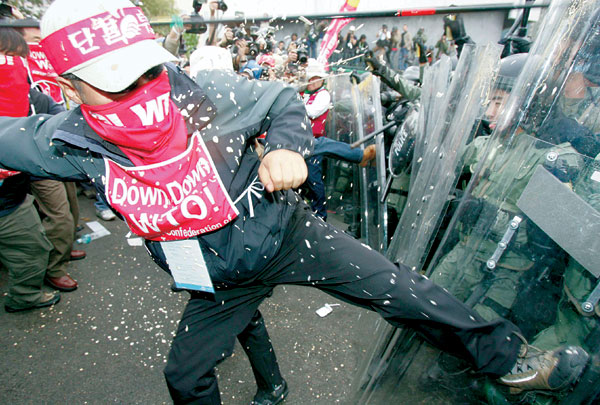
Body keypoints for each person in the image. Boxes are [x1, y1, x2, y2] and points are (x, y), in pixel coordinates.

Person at [0, 1, 590, 403]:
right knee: (184, 375)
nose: (139, 93)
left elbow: (283, 98)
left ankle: (510, 359)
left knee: (402, 290)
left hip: (288, 236)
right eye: (113, 82)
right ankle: (271, 386)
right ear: (69, 85)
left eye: (145, 72)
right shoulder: (65, 142)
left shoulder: (213, 95)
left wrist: (286, 146)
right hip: (219, 275)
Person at [0, 26, 59, 312]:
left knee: (34, 246)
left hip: (12, 199)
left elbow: (55, 114)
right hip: (9, 204)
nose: (12, 66)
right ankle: (24, 296)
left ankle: (24, 294)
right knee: (31, 248)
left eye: (18, 57)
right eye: (5, 56)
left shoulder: (30, 95)